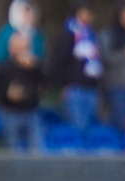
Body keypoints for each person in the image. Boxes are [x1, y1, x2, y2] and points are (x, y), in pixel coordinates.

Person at [50, 0, 103, 134]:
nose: (89, 15)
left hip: (91, 87)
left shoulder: (92, 34)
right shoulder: (68, 33)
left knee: (91, 129)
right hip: (74, 88)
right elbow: (59, 60)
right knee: (76, 128)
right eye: (86, 12)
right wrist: (64, 84)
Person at [0, 32, 45, 152]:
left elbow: (44, 84)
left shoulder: (35, 66)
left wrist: (35, 68)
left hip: (31, 112)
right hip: (10, 112)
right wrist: (8, 95)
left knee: (37, 150)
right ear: (12, 48)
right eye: (19, 47)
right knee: (11, 151)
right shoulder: (3, 68)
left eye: (25, 47)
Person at [100, 1, 125, 132]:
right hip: (117, 87)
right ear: (120, 14)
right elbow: (105, 58)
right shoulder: (108, 34)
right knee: (119, 124)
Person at [0, 0, 46, 65]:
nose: (28, 16)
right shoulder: (6, 32)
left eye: (29, 12)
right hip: (8, 70)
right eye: (24, 12)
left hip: (31, 72)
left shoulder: (36, 34)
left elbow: (41, 55)